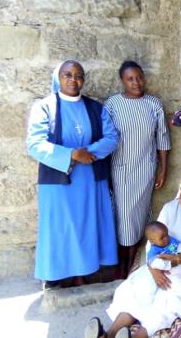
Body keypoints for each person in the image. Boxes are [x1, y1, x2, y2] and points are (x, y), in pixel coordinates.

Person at [86, 176, 181, 338]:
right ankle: (108, 334)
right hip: (163, 260)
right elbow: (153, 239)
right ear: (179, 194)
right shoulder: (169, 208)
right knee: (141, 288)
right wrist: (153, 269)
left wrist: (180, 260)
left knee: (167, 298)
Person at [26, 60, 119, 288]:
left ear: (83, 80)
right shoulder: (45, 107)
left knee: (87, 225)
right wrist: (71, 155)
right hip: (59, 181)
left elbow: (112, 138)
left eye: (78, 76)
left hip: (90, 180)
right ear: (59, 77)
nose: (73, 80)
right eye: (68, 74)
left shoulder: (96, 108)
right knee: (61, 227)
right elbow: (35, 143)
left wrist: (88, 153)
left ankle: (84, 273)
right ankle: (57, 275)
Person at [105, 60, 171, 279]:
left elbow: (162, 138)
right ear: (122, 81)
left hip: (145, 170)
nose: (136, 82)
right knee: (124, 219)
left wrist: (162, 169)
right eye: (130, 79)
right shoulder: (113, 104)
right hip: (121, 169)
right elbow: (106, 138)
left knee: (140, 218)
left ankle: (130, 265)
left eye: (139, 77)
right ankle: (121, 265)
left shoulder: (153, 104)